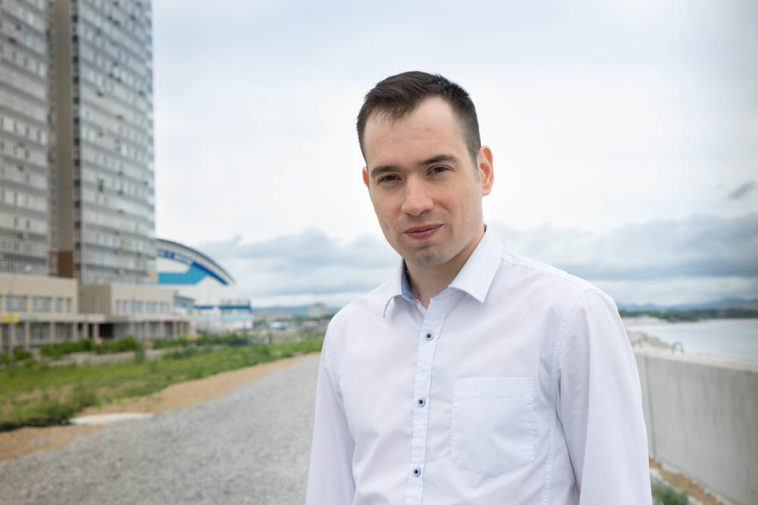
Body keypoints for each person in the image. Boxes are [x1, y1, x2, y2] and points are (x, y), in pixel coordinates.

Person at [305, 71, 652, 505]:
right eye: (390, 178)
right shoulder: (348, 333)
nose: (415, 203)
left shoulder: (571, 316)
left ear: (483, 171)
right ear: (368, 186)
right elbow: (329, 491)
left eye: (437, 169)